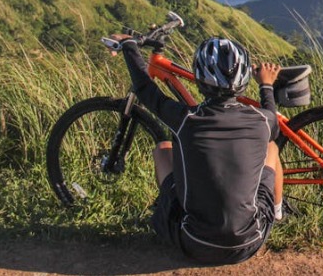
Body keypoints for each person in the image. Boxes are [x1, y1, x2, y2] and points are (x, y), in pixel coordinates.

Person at [109, 33, 284, 264]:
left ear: (199, 80)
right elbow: (271, 114)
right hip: (249, 242)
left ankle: (169, 211)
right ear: (243, 80)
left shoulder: (184, 119)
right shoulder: (263, 120)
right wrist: (266, 84)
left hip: (193, 243)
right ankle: (278, 212)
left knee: (163, 149)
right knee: (271, 148)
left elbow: (144, 87)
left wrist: (129, 45)